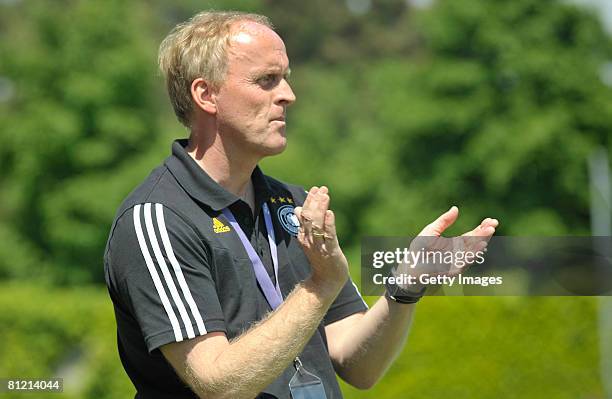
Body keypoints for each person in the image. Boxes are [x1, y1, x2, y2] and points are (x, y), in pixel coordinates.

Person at [104, 10, 499, 399]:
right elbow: (218, 385)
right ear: (206, 95)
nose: (288, 95)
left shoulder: (292, 205)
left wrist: (405, 286)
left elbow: (357, 364)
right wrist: (320, 285)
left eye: (285, 79)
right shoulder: (158, 218)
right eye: (266, 81)